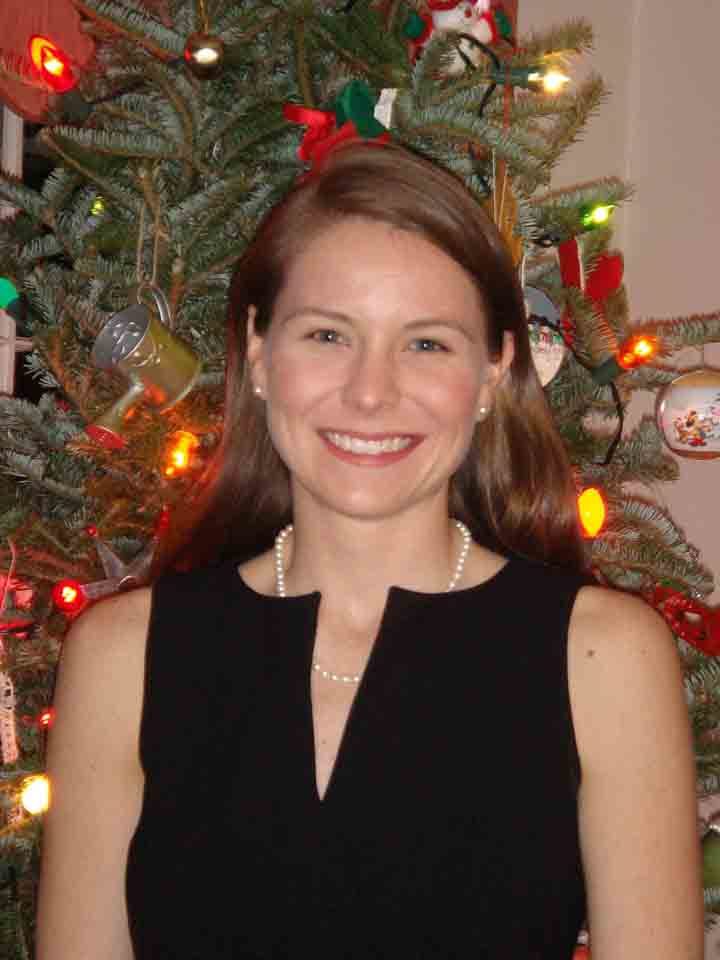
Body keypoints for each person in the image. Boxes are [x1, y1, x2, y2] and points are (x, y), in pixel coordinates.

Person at [36, 143, 703, 959]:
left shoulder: (603, 656)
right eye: (327, 334)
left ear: (493, 371)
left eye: (426, 344)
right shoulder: (123, 657)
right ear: (258, 353)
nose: (370, 393)